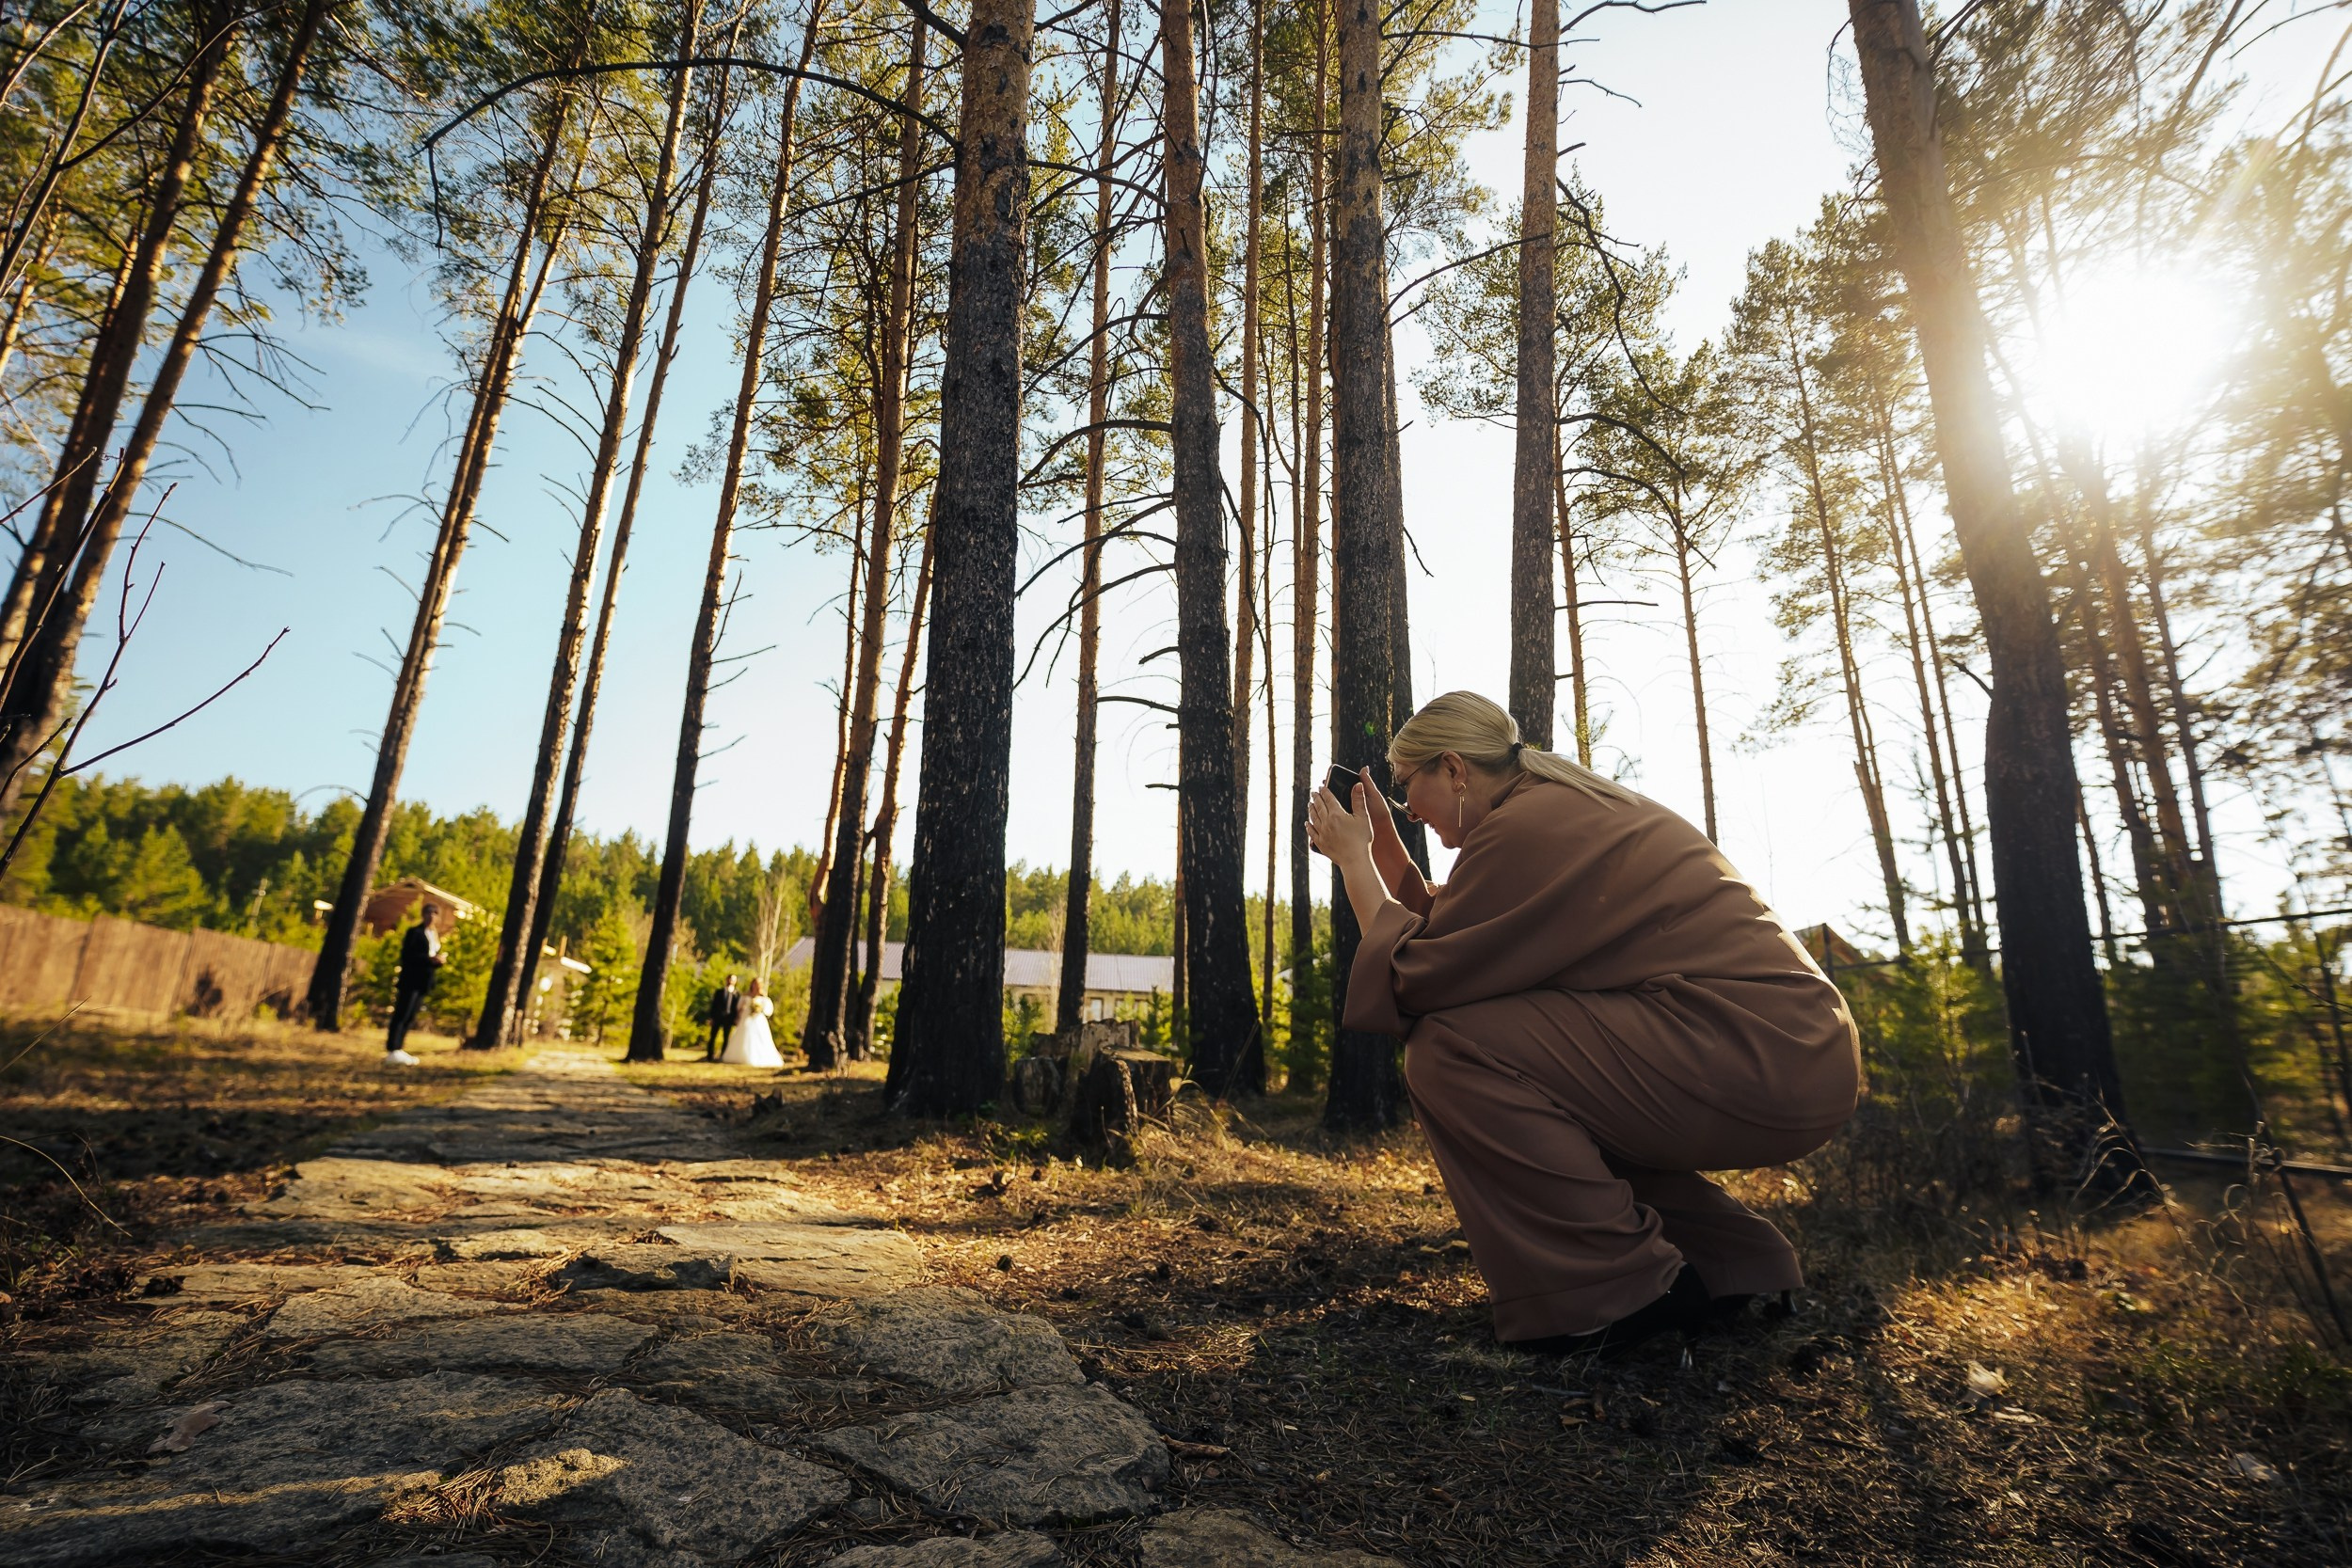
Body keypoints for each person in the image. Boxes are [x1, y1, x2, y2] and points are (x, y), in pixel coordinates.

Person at [1305, 691, 1860, 1354]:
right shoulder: (1554, 806)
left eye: (1407, 788)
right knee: (1549, 1083)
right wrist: (1391, 860)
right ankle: (1721, 1262)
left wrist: (1355, 862)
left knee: (1449, 1049)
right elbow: (1459, 938)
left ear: (1453, 769)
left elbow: (1416, 982)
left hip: (1757, 1049)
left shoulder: (1525, 827)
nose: (1408, 809)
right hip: (1786, 1047)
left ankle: (1621, 1294)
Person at [384, 904, 445, 1067]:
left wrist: (438, 962)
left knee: (410, 1016)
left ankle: (400, 1048)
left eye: (435, 913)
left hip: (424, 981)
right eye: (428, 912)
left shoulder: (435, 936)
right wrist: (428, 960)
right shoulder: (415, 933)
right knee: (402, 1013)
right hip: (411, 980)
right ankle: (393, 1048)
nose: (431, 916)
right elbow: (408, 955)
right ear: (423, 914)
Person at [719, 976, 783, 1067]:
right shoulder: (746, 995)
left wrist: (759, 1009)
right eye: (755, 983)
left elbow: (768, 1010)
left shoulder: (763, 996)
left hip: (758, 1019)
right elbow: (739, 1007)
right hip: (746, 1018)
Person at [704, 974, 742, 1061]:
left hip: (729, 1019)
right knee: (713, 1037)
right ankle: (710, 1056)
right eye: (729, 979)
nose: (731, 981)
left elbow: (737, 1008)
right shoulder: (719, 992)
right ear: (727, 979)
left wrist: (736, 1019)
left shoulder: (737, 994)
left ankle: (723, 1056)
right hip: (717, 1018)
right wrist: (711, 1018)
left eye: (733, 979)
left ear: (735, 981)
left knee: (726, 1038)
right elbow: (713, 1005)